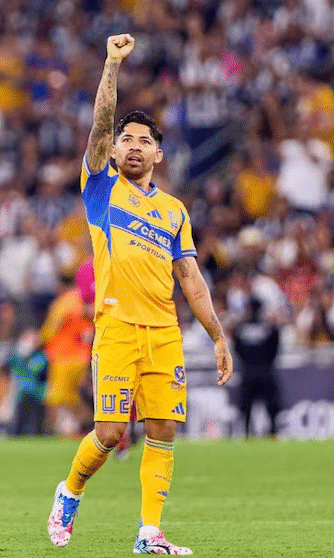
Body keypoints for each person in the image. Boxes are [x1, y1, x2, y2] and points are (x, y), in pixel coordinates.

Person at [48, 34, 233, 556]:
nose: (132, 145)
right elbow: (100, 123)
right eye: (125, 139)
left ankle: (149, 533)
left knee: (163, 429)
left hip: (164, 332)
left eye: (142, 140)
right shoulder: (102, 188)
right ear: (113, 149)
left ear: (157, 153)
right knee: (109, 434)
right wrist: (111, 65)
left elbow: (190, 278)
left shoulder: (174, 211)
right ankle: (70, 492)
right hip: (116, 329)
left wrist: (217, 336)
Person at [40, 262, 95, 437]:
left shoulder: (63, 302)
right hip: (84, 359)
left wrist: (44, 342)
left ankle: (63, 431)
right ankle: (78, 430)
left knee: (58, 402)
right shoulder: (88, 300)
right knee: (80, 401)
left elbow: (49, 331)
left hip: (63, 359)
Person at [232, 297, 282, 438]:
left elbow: (237, 348)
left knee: (247, 407)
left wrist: (246, 364)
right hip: (266, 371)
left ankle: (247, 434)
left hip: (248, 372)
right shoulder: (268, 327)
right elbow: (275, 347)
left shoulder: (241, 328)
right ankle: (273, 433)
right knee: (271, 406)